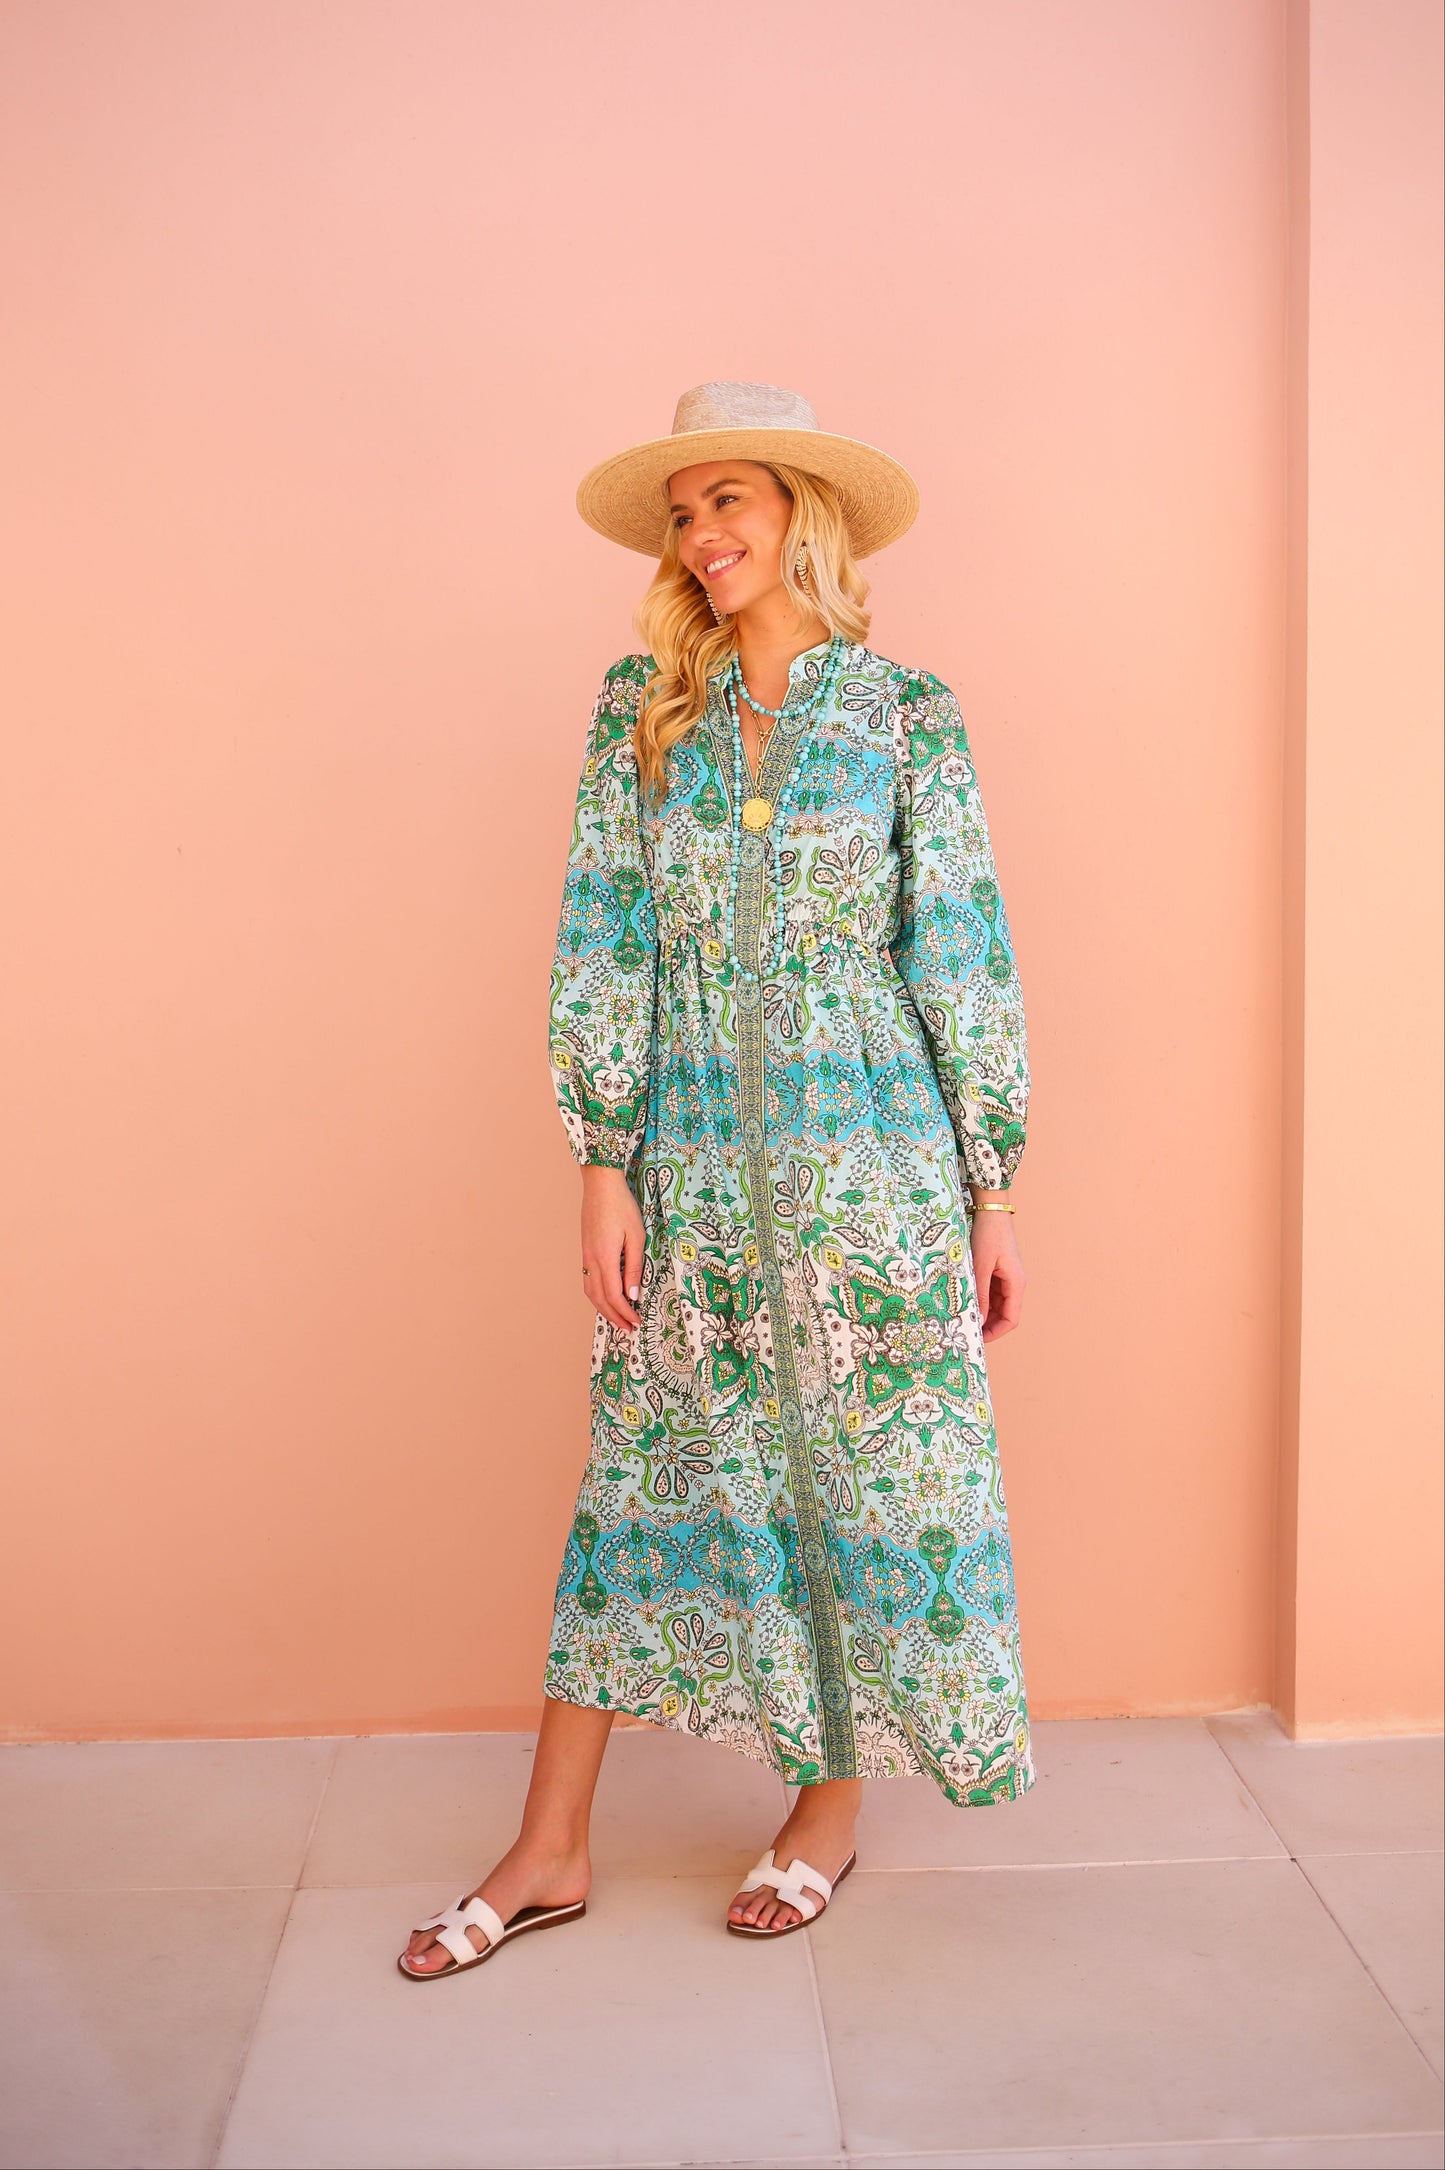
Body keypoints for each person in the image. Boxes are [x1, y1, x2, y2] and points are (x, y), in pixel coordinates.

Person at [399, 381, 1036, 1980]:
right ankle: (549, 1845)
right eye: (684, 513)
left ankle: (823, 1812)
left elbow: (955, 954)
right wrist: (603, 1162)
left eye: (729, 498)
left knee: (865, 1481)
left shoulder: (906, 713)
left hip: (871, 1164)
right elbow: (607, 936)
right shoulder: (642, 711)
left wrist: (989, 1187)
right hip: (685, 1158)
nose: (703, 534)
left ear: (801, 516)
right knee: (641, 1484)